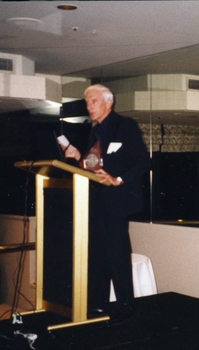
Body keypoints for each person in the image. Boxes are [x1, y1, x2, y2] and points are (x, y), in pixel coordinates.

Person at [63, 84, 150, 325]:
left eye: (93, 102)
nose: (89, 106)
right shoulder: (96, 131)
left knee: (117, 253)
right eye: (87, 102)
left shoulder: (125, 126)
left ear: (108, 103)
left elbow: (143, 162)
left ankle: (125, 305)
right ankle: (98, 304)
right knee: (98, 252)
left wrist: (118, 179)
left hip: (117, 201)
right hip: (95, 200)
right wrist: (77, 157)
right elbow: (94, 163)